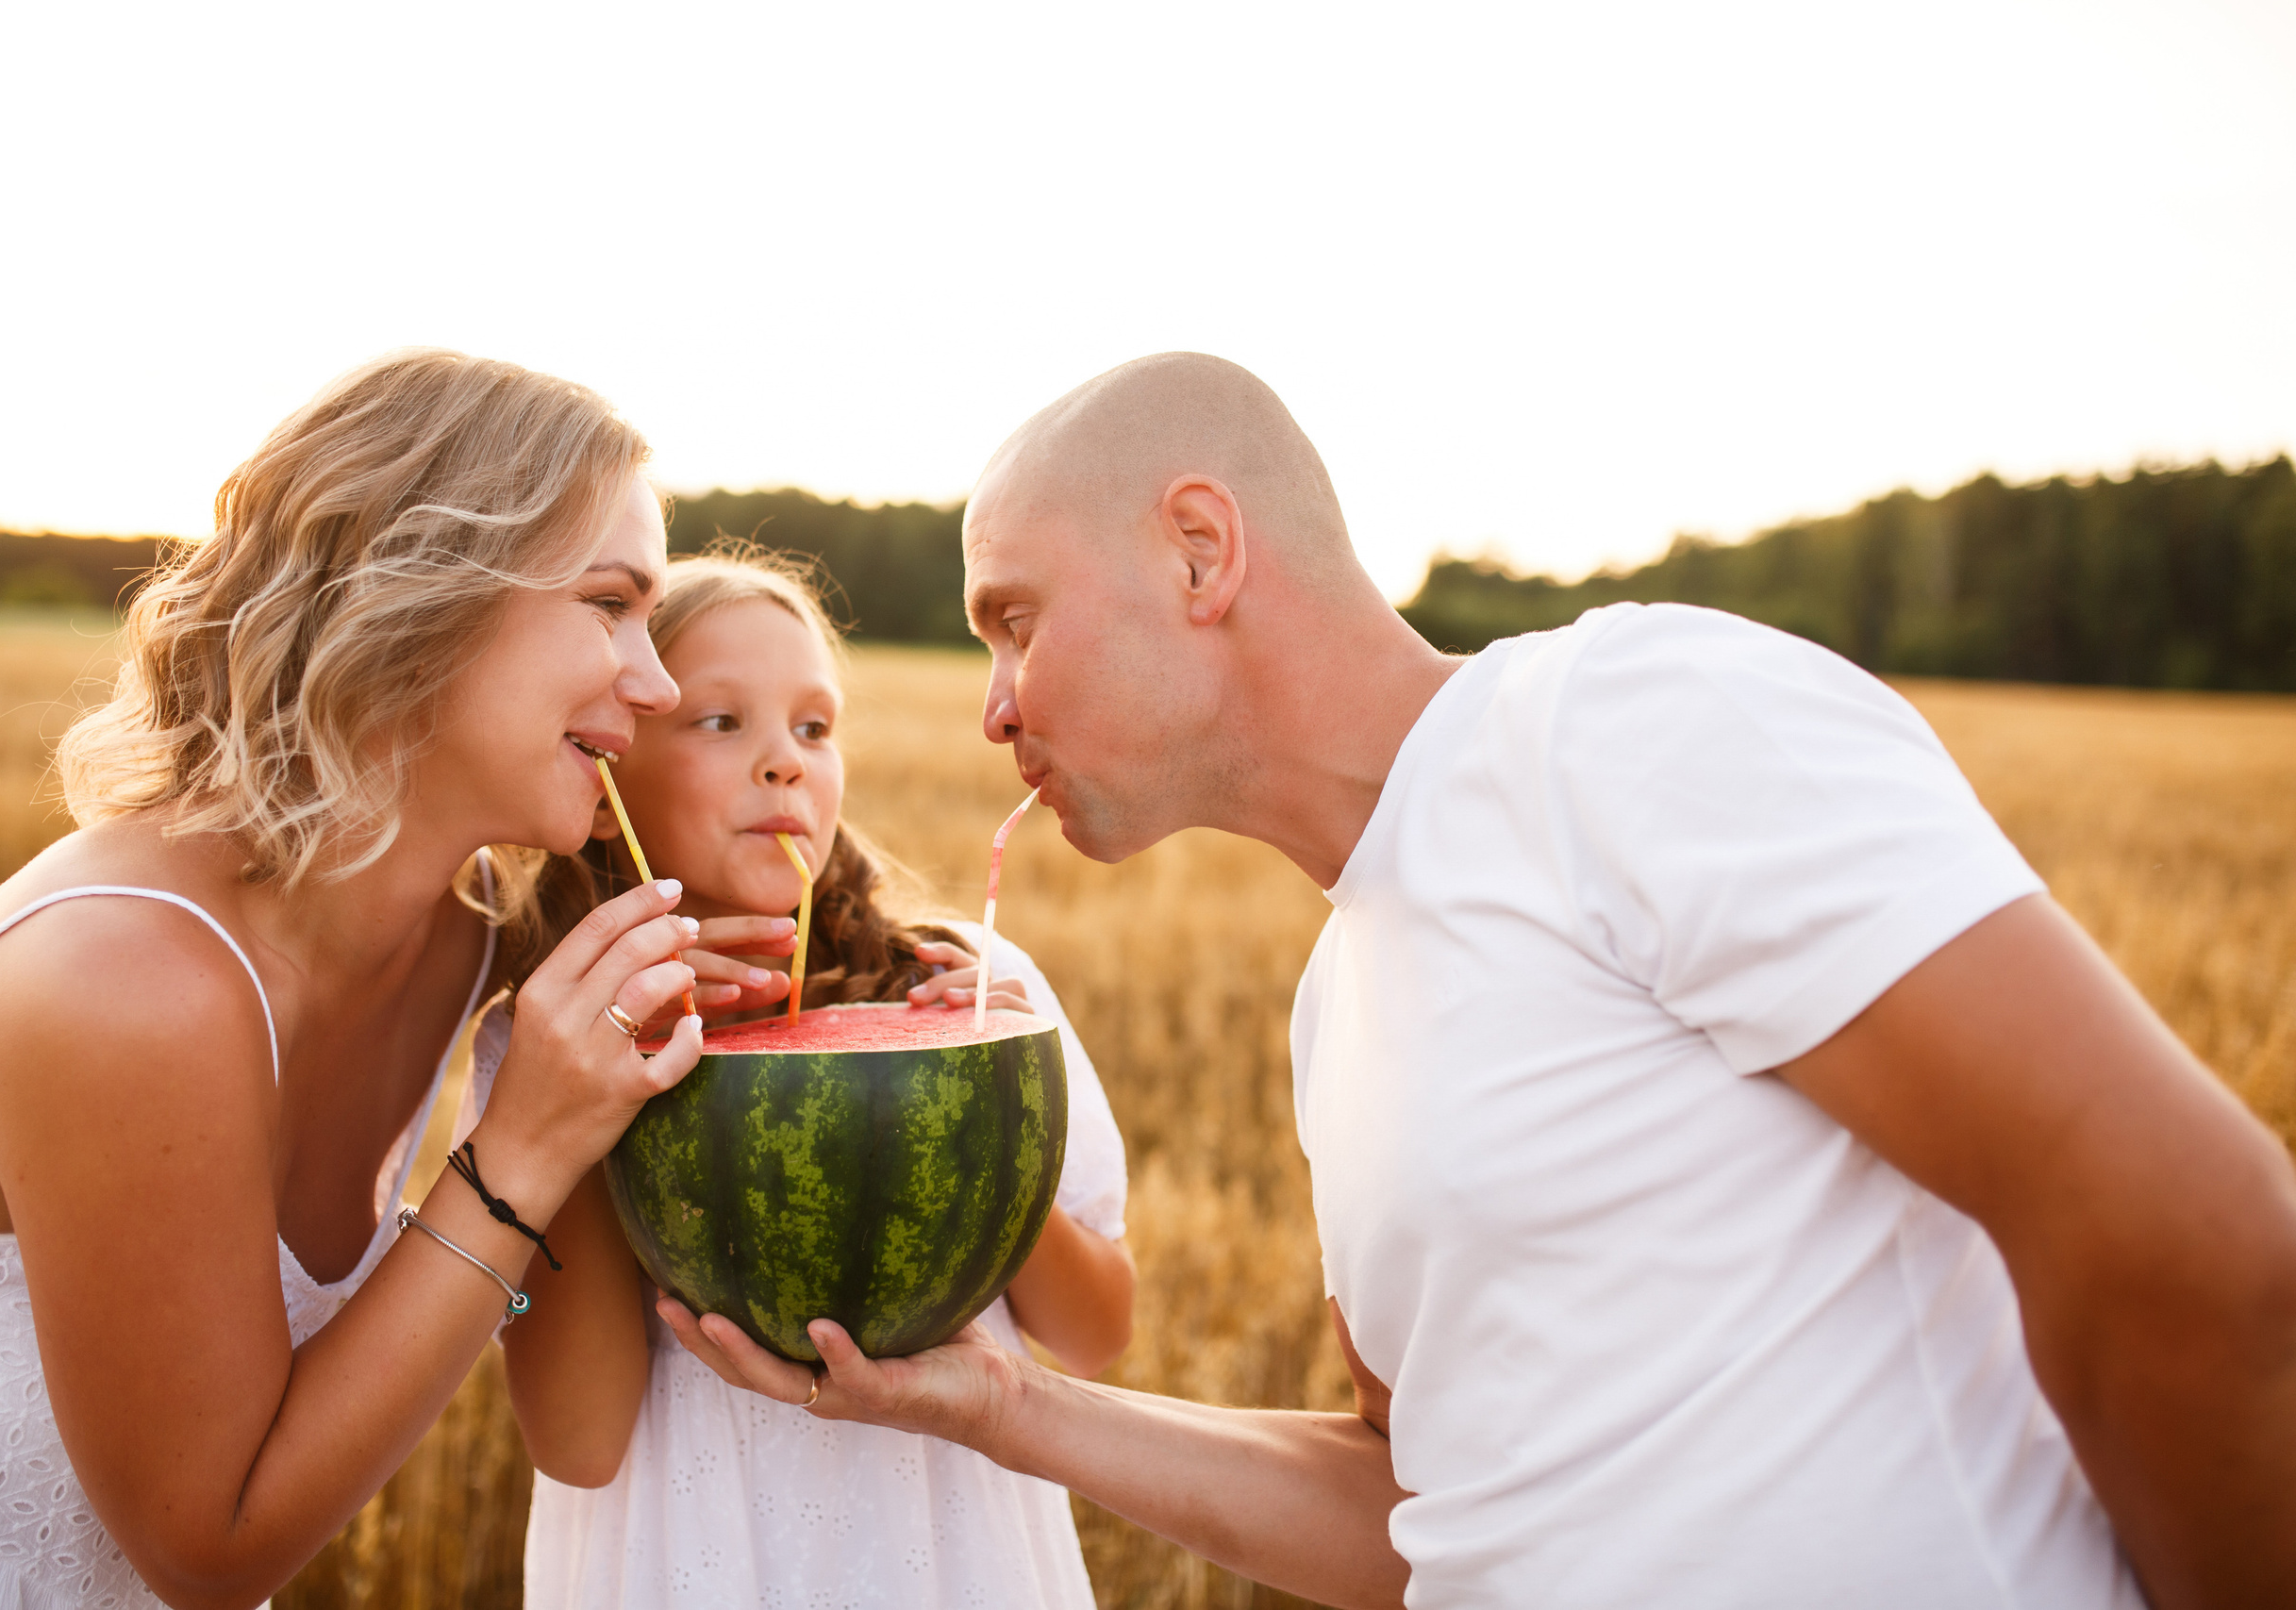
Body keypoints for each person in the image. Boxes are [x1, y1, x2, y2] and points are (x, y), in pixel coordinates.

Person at [671, 354, 2296, 1610]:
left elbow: (2194, 1245)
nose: (993, 707)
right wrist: (996, 1409)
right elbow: (1423, 1512)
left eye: (1014, 622)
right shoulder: (1340, 1004)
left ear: (1198, 550)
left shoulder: (1625, 723)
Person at [0, 350, 727, 1610]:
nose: (655, 683)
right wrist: (524, 1147)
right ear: (418, 595)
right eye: (610, 603)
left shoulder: (471, 939)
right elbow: (209, 1545)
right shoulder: (129, 985)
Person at [457, 545, 1136, 1606]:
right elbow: (579, 1442)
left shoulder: (962, 982)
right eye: (720, 722)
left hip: (955, 1560)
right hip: (687, 1565)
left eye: (813, 729)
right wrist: (594, 1090)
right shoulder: (544, 1039)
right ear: (604, 784)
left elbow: (1096, 1335)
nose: (785, 762)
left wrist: (996, 1110)